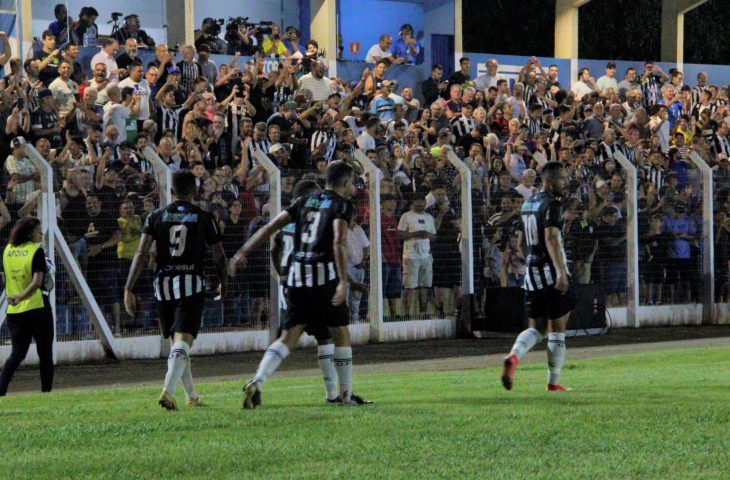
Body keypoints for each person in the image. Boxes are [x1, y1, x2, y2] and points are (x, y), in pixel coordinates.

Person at [229, 161, 371, 408]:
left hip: (295, 278)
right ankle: (345, 396)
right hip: (323, 278)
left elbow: (270, 228)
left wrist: (242, 252)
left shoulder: (305, 201)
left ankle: (258, 381)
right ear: (346, 182)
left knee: (288, 337)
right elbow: (338, 242)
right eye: (352, 183)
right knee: (341, 334)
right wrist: (343, 281)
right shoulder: (342, 205)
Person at [124, 169, 228, 410]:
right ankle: (167, 392)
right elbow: (219, 255)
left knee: (177, 346)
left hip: (163, 286)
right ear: (195, 190)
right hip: (190, 285)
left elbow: (140, 253)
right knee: (183, 341)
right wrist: (224, 280)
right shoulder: (204, 217)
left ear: (171, 191)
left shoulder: (155, 216)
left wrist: (128, 287)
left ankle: (191, 396)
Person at [501, 161, 576, 392]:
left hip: (532, 273)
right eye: (562, 178)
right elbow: (552, 238)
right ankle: (553, 383)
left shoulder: (527, 204)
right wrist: (560, 271)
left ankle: (514, 356)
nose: (565, 183)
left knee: (537, 327)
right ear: (549, 180)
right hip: (551, 271)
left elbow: (522, 244)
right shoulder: (552, 205)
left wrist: (532, 263)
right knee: (557, 327)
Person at [0, 217, 54, 396]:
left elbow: (7, 276)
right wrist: (22, 296)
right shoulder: (35, 251)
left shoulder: (7, 250)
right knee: (45, 353)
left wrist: (15, 297)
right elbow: (38, 281)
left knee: (17, 354)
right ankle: (46, 392)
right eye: (39, 231)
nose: (41, 234)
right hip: (37, 308)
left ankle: (1, 389)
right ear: (30, 233)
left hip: (15, 312)